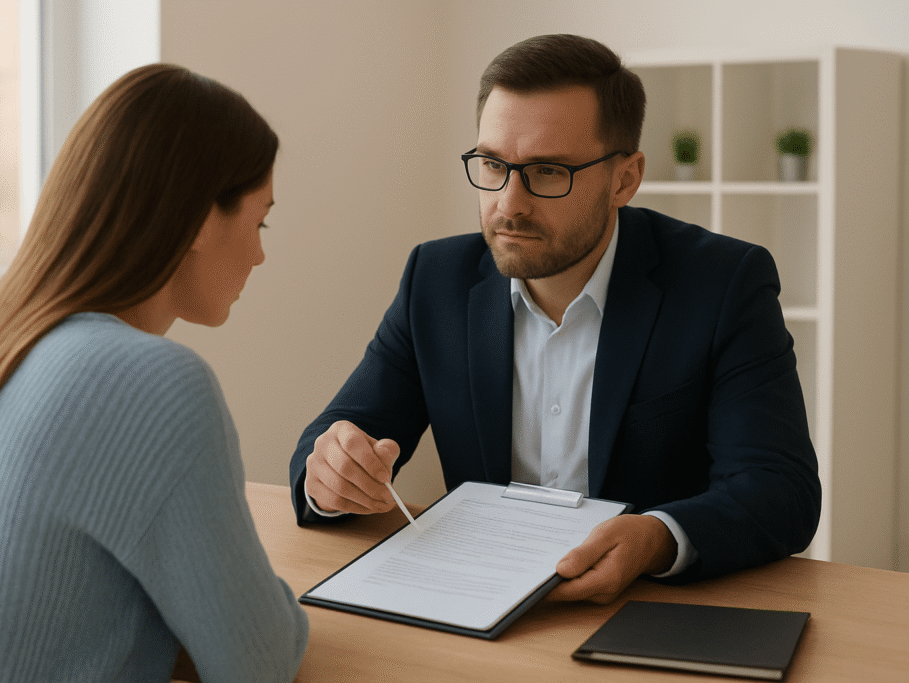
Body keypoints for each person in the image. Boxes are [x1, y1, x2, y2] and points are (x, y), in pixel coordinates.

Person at [289, 34, 821, 603]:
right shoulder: (436, 278)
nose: (508, 203)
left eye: (546, 172)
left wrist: (657, 539)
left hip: (646, 614)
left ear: (625, 178)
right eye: (492, 163)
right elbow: (340, 433)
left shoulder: (723, 282)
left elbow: (779, 490)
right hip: (477, 608)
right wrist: (331, 474)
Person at [0, 64, 307, 681]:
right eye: (259, 220)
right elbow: (260, 662)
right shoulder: (159, 386)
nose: (261, 251)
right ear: (196, 221)